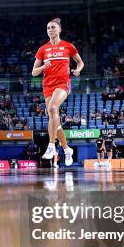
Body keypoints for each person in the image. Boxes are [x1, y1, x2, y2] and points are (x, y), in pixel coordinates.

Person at [32, 17, 84, 167]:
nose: (50, 30)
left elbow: (80, 62)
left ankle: (51, 145)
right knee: (55, 121)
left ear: (59, 29)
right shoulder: (43, 49)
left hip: (63, 83)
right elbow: (34, 72)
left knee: (53, 108)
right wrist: (44, 66)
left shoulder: (68, 46)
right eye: (48, 28)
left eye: (53, 27)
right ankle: (67, 149)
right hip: (47, 85)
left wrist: (78, 70)